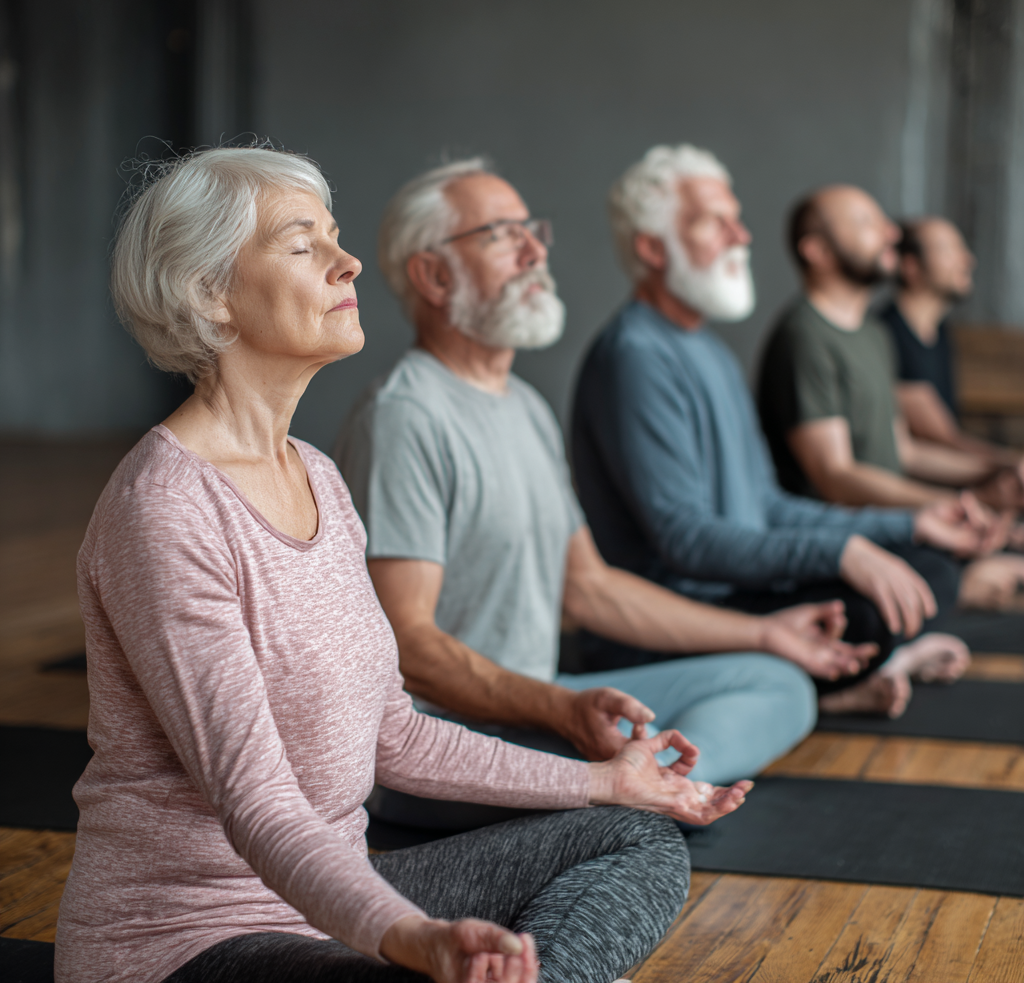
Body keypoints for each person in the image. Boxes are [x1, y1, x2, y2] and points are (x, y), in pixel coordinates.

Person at [55, 145, 753, 983]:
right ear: (210, 293)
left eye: (336, 236)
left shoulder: (316, 474)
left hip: (327, 903)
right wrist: (406, 937)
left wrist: (607, 780)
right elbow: (256, 802)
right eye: (301, 243)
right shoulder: (165, 509)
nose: (347, 261)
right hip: (187, 941)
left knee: (635, 836)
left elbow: (396, 734)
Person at [335, 157, 870, 834]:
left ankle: (645, 792)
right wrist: (558, 709)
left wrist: (767, 633)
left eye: (534, 231)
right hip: (450, 748)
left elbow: (590, 588)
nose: (536, 252)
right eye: (503, 235)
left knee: (779, 682)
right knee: (650, 751)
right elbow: (407, 646)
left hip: (540, 707)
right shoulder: (404, 416)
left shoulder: (525, 406)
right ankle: (635, 797)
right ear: (434, 275)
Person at [571, 145, 985, 720]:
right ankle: (839, 676)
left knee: (927, 565)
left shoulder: (708, 350)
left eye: (736, 219)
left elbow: (764, 504)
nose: (741, 236)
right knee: (873, 609)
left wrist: (911, 523)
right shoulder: (634, 356)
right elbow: (685, 541)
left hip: (742, 586)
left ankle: (843, 674)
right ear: (651, 248)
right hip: (680, 620)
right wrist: (842, 552)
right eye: (716, 223)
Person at [757, 185, 1024, 609]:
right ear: (818, 251)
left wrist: (1000, 472)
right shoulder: (805, 335)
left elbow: (907, 451)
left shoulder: (873, 335)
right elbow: (835, 476)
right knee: (953, 569)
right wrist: (959, 504)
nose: (890, 234)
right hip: (843, 543)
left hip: (896, 526)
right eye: (867, 224)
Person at [882, 217, 1024, 471]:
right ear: (910, 266)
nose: (968, 261)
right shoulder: (888, 335)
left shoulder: (940, 334)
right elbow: (939, 437)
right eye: (949, 250)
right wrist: (1012, 463)